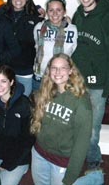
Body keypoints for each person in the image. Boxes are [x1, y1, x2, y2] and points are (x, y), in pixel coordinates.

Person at [71, 0, 109, 171]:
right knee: (76, 122)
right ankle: (75, 154)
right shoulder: (78, 15)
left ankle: (93, 160)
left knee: (92, 128)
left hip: (98, 84)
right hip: (77, 82)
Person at [30, 53, 93, 185]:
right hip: (39, 155)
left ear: (71, 71)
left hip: (61, 162)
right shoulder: (45, 92)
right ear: (49, 70)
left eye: (63, 68)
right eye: (54, 68)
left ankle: (94, 178)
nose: (58, 72)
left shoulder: (81, 102)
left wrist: (71, 176)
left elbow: (81, 144)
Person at [0, 64, 35, 185]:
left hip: (17, 159)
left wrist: (9, 164)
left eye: (3, 81)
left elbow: (28, 141)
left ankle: (22, 170)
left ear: (11, 82)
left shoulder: (24, 105)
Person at [0, 0, 44, 97]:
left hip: (25, 71)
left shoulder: (36, 18)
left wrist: (66, 20)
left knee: (22, 103)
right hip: (5, 69)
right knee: (4, 102)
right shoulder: (1, 15)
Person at [33, 0, 77, 91]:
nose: (55, 13)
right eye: (51, 10)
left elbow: (73, 53)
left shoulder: (73, 29)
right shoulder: (39, 27)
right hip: (40, 78)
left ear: (64, 11)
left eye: (59, 10)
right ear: (47, 12)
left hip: (61, 80)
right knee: (38, 105)